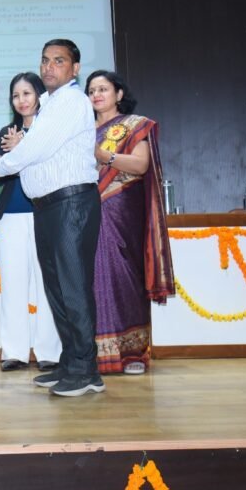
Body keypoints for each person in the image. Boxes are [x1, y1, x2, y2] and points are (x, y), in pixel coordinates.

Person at [0, 39, 103, 397]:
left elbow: (34, 148)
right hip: (48, 207)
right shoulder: (49, 105)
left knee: (73, 287)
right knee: (57, 289)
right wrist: (2, 162)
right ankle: (71, 362)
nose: (49, 67)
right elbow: (37, 155)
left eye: (58, 61)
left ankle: (86, 371)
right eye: (45, 60)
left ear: (75, 69)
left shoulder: (71, 101)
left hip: (71, 204)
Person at [85, 70, 175, 375]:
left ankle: (132, 353)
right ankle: (96, 354)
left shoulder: (134, 126)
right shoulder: (81, 130)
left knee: (124, 276)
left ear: (119, 94)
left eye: (103, 89)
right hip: (86, 210)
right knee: (91, 279)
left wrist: (104, 156)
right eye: (92, 91)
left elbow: (140, 164)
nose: (97, 95)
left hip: (122, 211)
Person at [0, 72, 61, 372]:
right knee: (13, 284)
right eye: (16, 95)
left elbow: (54, 167)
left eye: (27, 94)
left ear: (40, 95)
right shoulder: (7, 131)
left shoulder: (52, 128)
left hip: (46, 212)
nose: (21, 100)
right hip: (11, 215)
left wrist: (24, 147)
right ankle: (15, 352)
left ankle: (49, 353)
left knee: (48, 284)